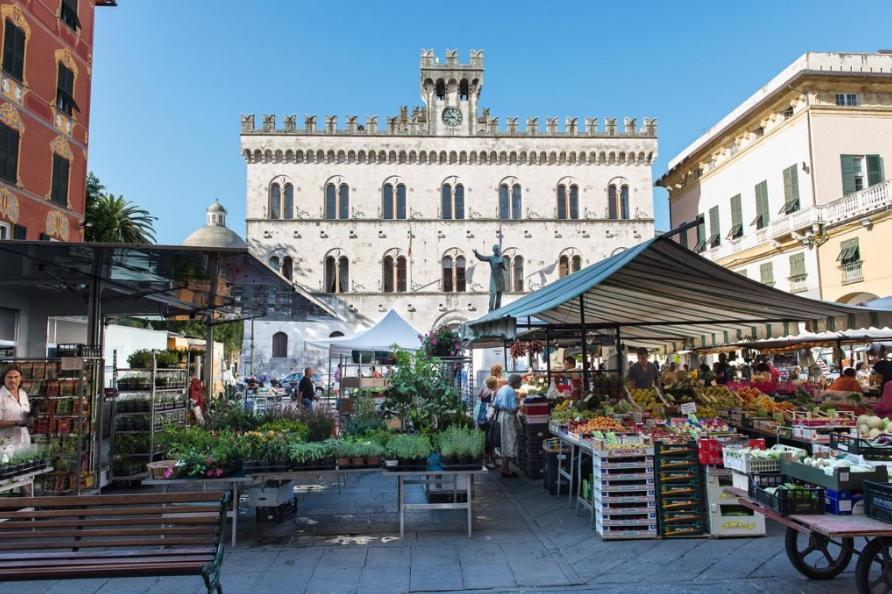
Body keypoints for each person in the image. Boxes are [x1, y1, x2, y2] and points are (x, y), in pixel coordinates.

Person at [493, 374, 522, 478]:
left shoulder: (502, 388)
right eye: (520, 382)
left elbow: (495, 404)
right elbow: (514, 409)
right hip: (508, 418)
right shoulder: (512, 392)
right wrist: (519, 402)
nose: (521, 384)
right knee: (509, 442)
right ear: (516, 382)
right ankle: (505, 470)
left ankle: (504, 468)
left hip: (501, 416)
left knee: (504, 442)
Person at [0, 366, 30, 450]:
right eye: (9, 377)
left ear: (20, 378)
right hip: (5, 443)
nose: (13, 380)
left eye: (16, 377)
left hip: (24, 441)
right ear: (3, 379)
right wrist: (17, 423)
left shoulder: (23, 394)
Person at [475, 376, 498, 468]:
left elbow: (479, 395)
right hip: (489, 416)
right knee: (489, 438)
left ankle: (485, 459)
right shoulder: (494, 392)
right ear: (495, 384)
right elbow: (495, 404)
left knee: (483, 436)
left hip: (481, 416)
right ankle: (489, 460)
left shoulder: (484, 391)